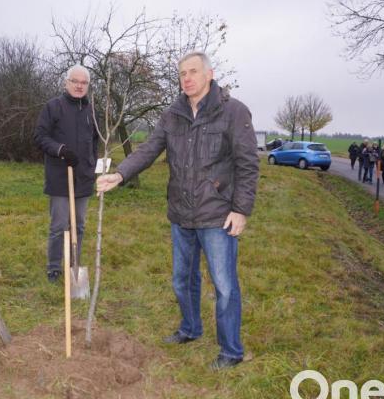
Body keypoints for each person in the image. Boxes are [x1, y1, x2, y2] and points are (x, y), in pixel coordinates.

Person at [96, 52, 259, 371]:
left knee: (224, 286)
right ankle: (190, 328)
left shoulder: (233, 112)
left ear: (209, 74)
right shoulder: (172, 114)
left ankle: (231, 351)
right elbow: (149, 149)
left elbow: (248, 164)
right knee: (182, 280)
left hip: (217, 215)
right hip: (181, 213)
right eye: (182, 73)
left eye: (193, 72)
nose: (187, 78)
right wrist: (120, 173)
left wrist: (240, 210)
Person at [33, 65, 98, 283]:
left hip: (84, 178)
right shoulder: (53, 107)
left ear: (88, 86)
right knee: (59, 225)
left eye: (84, 83)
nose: (79, 86)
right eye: (75, 81)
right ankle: (54, 267)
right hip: (60, 177)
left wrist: (91, 165)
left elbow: (95, 141)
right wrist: (60, 149)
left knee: (78, 225)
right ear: (66, 82)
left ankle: (74, 266)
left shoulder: (91, 110)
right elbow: (40, 136)